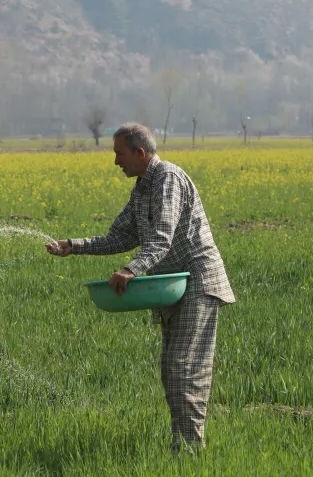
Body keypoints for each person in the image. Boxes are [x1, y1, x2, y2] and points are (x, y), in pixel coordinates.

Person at [46, 122, 235, 454]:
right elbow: (119, 236)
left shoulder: (168, 180)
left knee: (184, 367)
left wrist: (130, 270)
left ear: (140, 153)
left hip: (197, 282)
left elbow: (161, 238)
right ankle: (184, 445)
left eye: (119, 154)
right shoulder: (141, 190)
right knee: (171, 370)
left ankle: (189, 450)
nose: (115, 162)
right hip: (171, 286)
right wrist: (74, 246)